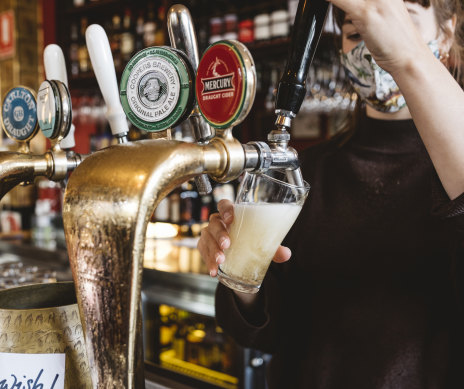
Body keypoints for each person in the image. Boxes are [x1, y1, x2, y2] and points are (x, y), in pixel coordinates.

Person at [197, 0, 464, 387]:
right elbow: (265, 335)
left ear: (448, 29)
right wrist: (243, 277)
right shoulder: (305, 173)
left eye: (395, 22)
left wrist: (408, 59)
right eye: (356, 33)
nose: (373, 47)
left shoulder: (451, 176)